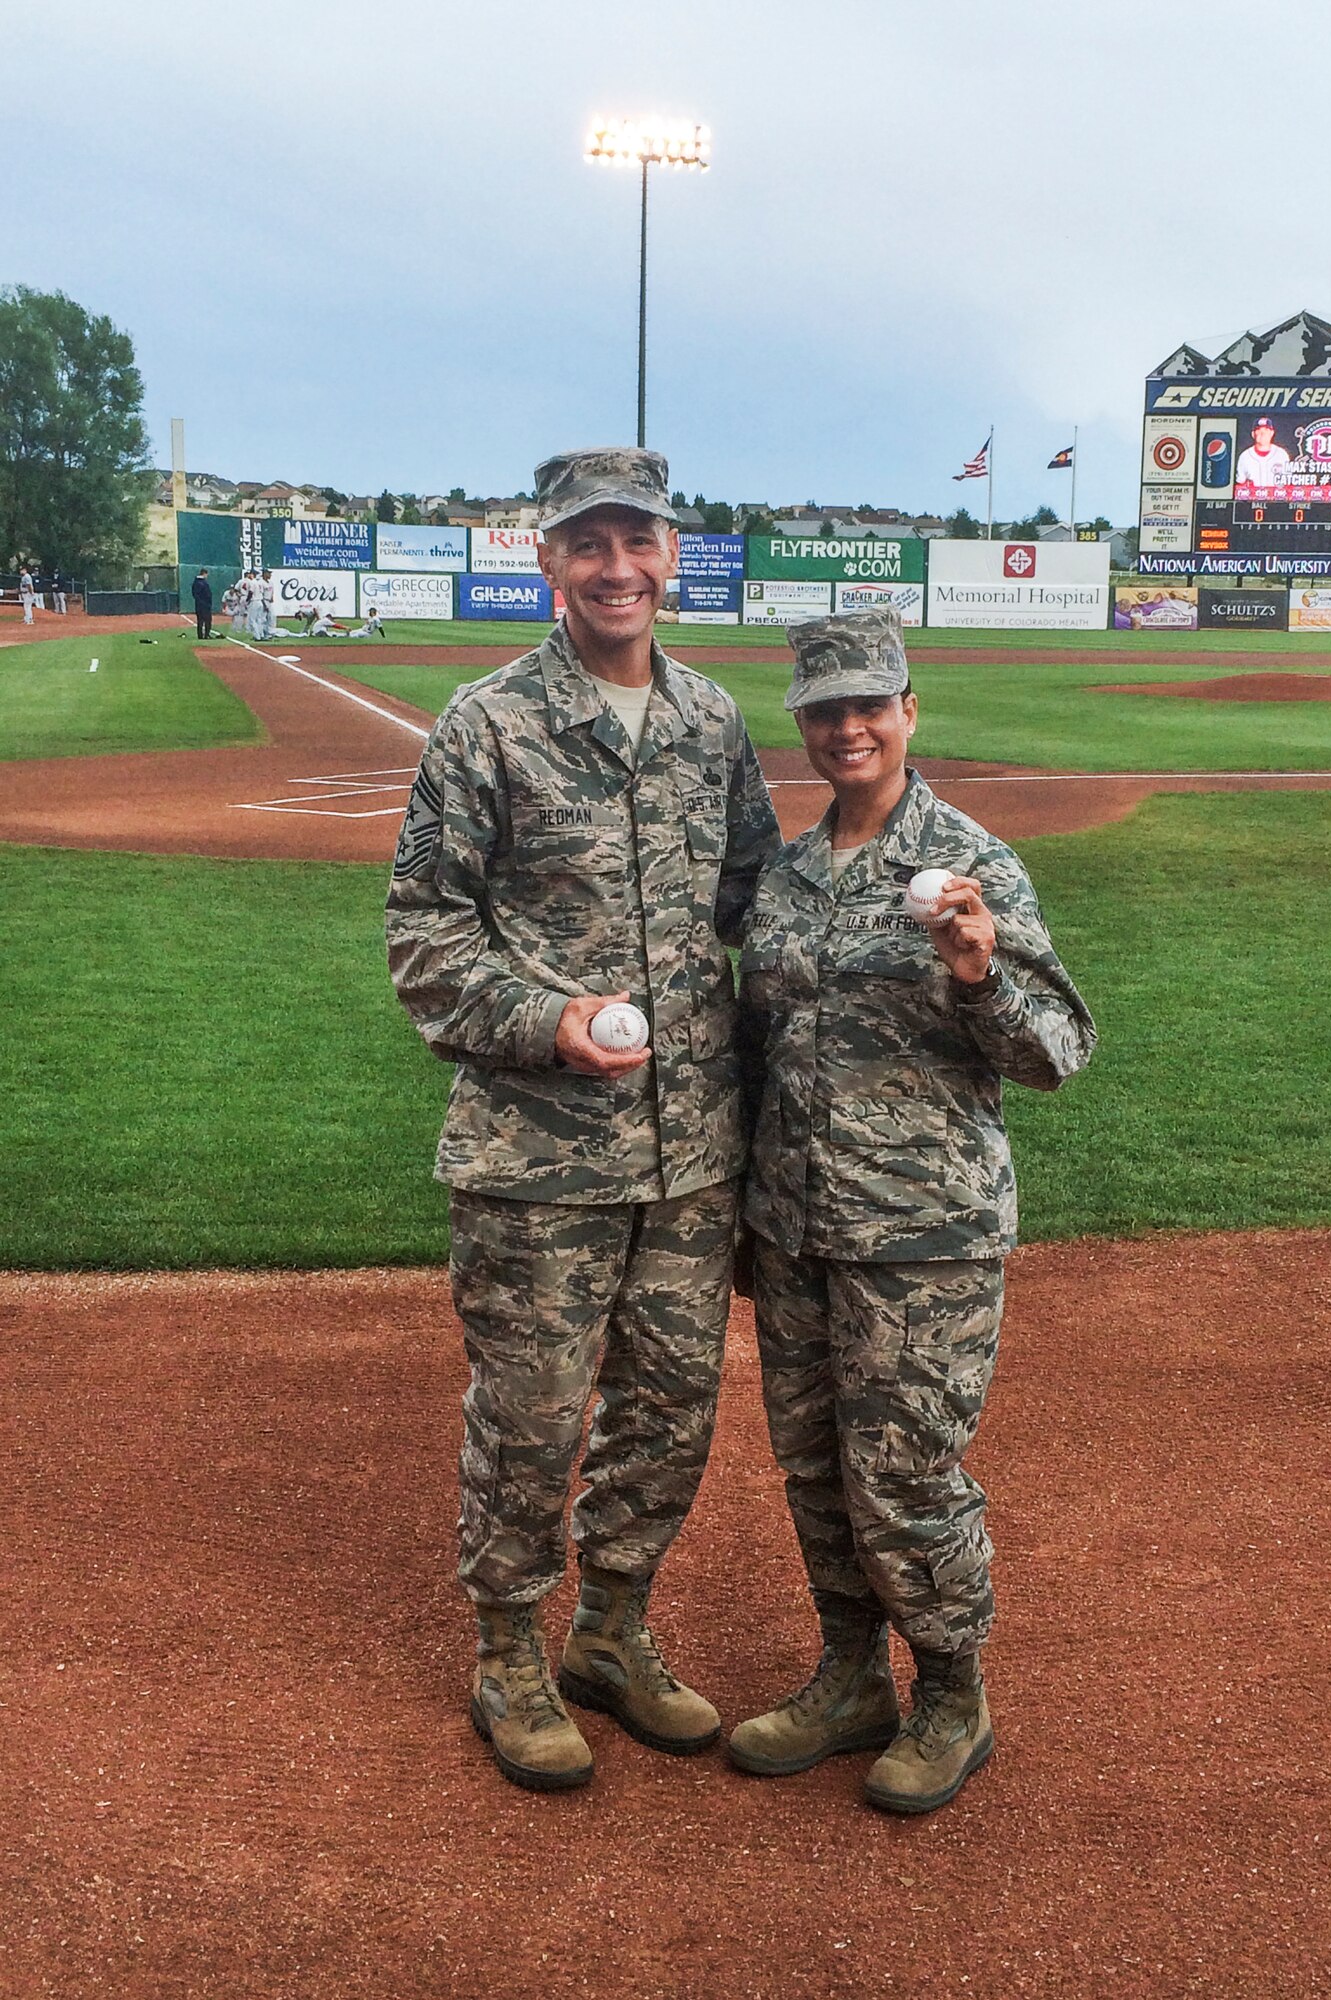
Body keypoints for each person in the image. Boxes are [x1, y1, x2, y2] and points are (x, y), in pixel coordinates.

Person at [387, 447, 781, 1795]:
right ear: (547, 563)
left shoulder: (711, 723)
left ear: (672, 557)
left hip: (688, 1158)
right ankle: (508, 1650)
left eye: (639, 542)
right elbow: (425, 933)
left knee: (671, 1415)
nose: (617, 568)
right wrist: (541, 1022)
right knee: (535, 1415)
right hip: (537, 1158)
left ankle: (611, 1630)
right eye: (588, 544)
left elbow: (756, 906)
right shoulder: (487, 725)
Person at [727, 606, 1096, 1816]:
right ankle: (850, 1676)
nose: (848, 727)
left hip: (923, 1234)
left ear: (908, 711)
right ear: (805, 723)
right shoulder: (785, 874)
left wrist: (980, 971)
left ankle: (950, 1688)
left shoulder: (967, 860)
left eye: (869, 705)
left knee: (905, 1471)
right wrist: (741, 1208)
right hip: (796, 1227)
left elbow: (1056, 1050)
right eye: (825, 709)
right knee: (816, 1466)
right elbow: (758, 1045)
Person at [1236, 415, 1292, 488]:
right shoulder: (1244, 456)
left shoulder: (1281, 454)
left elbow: (1288, 483)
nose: (1262, 434)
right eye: (1258, 430)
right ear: (1253, 434)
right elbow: (1240, 484)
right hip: (1252, 499)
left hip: (1277, 498)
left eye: (1266, 430)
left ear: (1272, 433)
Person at [191, 568, 214, 639]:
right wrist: (207, 603)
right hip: (205, 605)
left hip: (198, 605)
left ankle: (200, 635)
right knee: (207, 621)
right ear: (204, 573)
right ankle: (206, 635)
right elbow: (207, 594)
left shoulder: (195, 582)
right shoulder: (203, 583)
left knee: (200, 621)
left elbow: (194, 594)